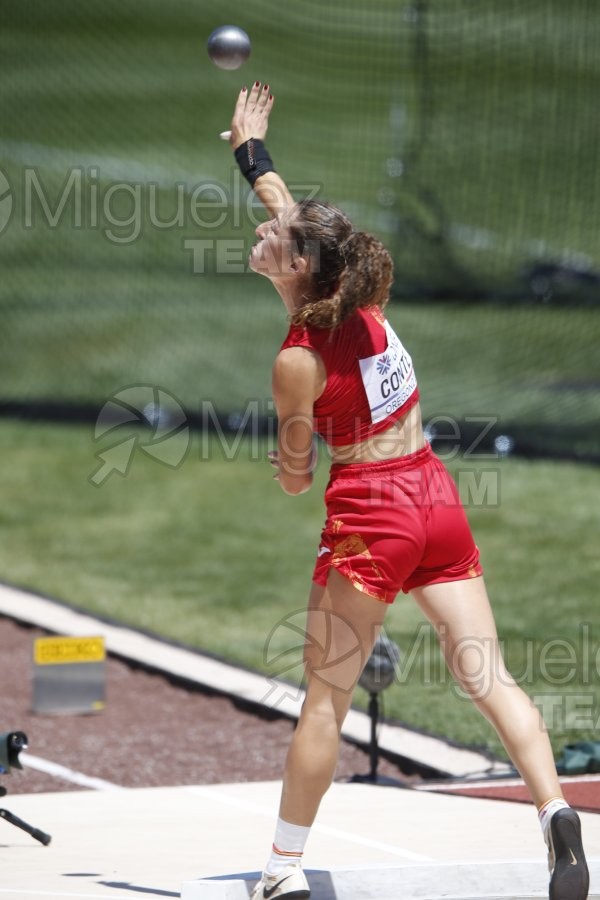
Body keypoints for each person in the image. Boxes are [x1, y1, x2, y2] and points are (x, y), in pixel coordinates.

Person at [223, 82, 589, 900]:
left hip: (372, 516)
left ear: (297, 269)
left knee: (325, 701)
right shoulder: (365, 299)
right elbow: (294, 209)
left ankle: (279, 873)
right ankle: (555, 813)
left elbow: (294, 480)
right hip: (435, 498)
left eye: (273, 237)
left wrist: (288, 460)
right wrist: (252, 154)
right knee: (486, 675)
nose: (261, 230)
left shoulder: (296, 361)